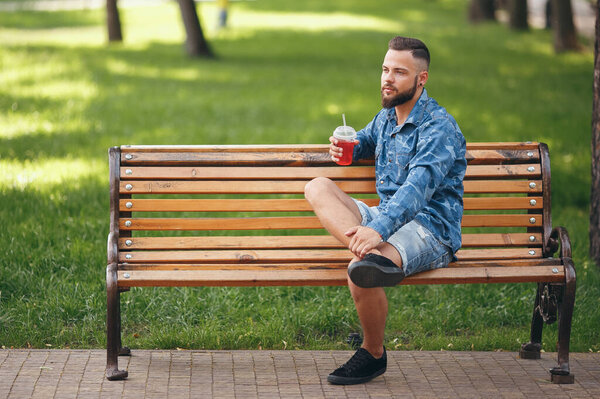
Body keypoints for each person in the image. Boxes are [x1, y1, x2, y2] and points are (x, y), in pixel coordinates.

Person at [304, 36, 467, 385]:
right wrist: (346, 144)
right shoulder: (386, 118)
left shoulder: (439, 127)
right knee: (317, 186)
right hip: (385, 218)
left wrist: (377, 231)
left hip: (429, 228)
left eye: (399, 72)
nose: (387, 79)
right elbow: (364, 140)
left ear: (420, 80)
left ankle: (373, 353)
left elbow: (417, 189)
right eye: (384, 69)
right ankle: (371, 257)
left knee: (358, 269)